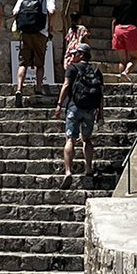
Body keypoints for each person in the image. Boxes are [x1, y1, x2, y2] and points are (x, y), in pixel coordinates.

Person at [56, 46, 105, 185]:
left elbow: (66, 85)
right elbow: (100, 94)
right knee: (87, 139)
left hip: (74, 107)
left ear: (81, 54)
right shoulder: (96, 70)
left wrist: (59, 104)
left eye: (75, 53)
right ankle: (88, 168)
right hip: (90, 109)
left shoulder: (73, 68)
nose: (73, 56)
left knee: (70, 139)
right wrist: (100, 113)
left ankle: (68, 171)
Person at [12, 0, 55, 105]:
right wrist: (50, 26)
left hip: (25, 32)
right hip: (40, 32)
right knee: (40, 62)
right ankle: (38, 88)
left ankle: (19, 88)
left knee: (23, 62)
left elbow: (15, 12)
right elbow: (52, 11)